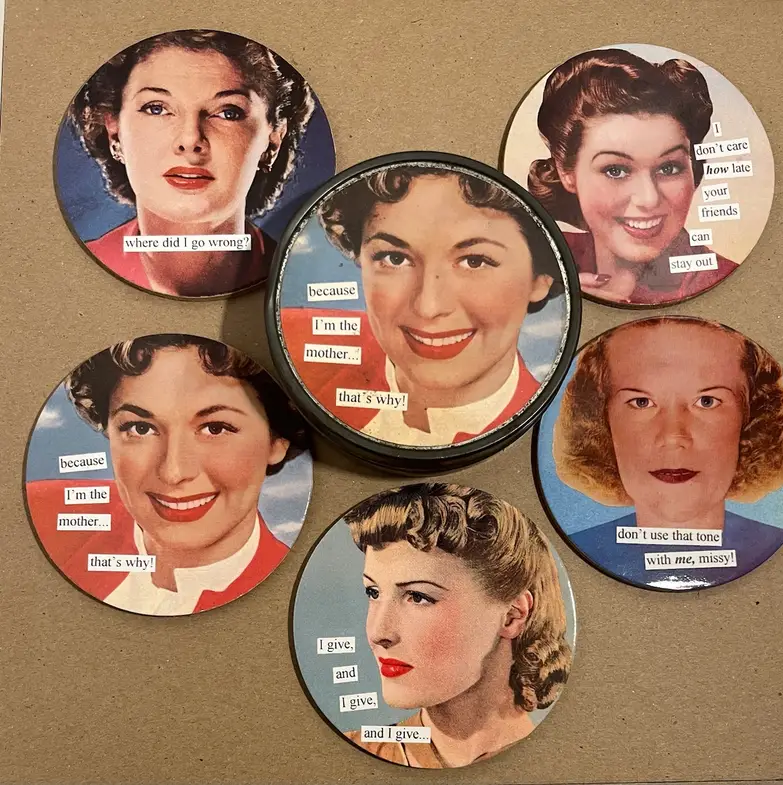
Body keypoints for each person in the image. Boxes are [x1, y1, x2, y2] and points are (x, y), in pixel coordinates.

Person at [281, 166, 565, 446]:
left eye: (475, 261)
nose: (428, 307)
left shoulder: (558, 434)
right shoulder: (297, 342)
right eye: (394, 258)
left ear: (540, 279)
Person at [26, 335, 307, 615]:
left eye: (215, 428)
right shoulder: (42, 512)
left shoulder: (293, 596)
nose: (173, 472)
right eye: (140, 428)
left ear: (276, 440)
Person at [552, 317, 783, 589]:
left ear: (752, 417)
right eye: (641, 402)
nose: (673, 436)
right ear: (602, 422)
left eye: (706, 401)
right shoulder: (561, 562)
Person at [66, 30, 316, 296]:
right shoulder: (70, 282)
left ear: (273, 140)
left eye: (228, 112)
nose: (190, 139)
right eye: (156, 108)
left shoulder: (302, 281)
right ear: (114, 132)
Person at [342, 483, 572, 767]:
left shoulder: (566, 763)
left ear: (513, 615)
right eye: (373, 592)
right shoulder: (348, 755)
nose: (378, 633)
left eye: (418, 596)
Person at [528, 48, 737, 305]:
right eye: (615, 170)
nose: (649, 199)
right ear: (566, 172)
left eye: (669, 168)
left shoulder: (727, 282)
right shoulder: (536, 265)